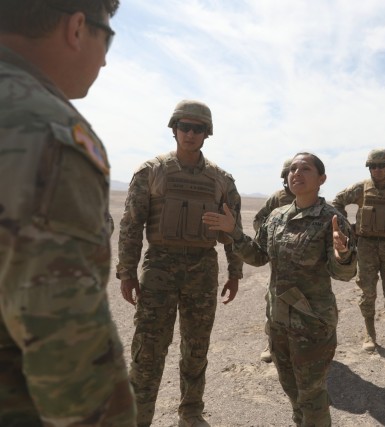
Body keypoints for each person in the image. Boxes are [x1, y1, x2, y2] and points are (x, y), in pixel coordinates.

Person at [0, 1, 136, 425]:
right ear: (77, 28)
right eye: (107, 36)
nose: (107, 59)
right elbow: (63, 337)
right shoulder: (44, 129)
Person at [203, 152, 357, 427]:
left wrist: (343, 253)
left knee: (312, 396)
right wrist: (234, 233)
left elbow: (343, 274)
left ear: (321, 179)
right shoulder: (276, 217)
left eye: (306, 169)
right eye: (293, 169)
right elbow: (259, 256)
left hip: (312, 324)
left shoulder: (331, 220)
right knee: (292, 391)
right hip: (278, 321)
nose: (296, 173)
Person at [116, 99, 243, 427]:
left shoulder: (221, 180)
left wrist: (235, 272)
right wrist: (127, 273)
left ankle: (190, 412)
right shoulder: (152, 172)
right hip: (159, 267)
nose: (190, 134)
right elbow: (131, 224)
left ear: (206, 134)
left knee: (196, 347)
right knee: (148, 350)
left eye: (197, 129)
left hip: (202, 268)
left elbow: (232, 230)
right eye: (184, 127)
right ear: (174, 129)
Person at [332, 149, 385, 353]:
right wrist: (347, 228)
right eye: (373, 166)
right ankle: (370, 334)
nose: (377, 170)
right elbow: (337, 202)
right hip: (366, 247)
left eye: (381, 166)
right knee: (367, 292)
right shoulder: (361, 188)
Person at [253, 158, 295, 363]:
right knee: (275, 300)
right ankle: (271, 343)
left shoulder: (311, 197)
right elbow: (259, 219)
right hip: (280, 259)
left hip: (306, 260)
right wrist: (267, 241)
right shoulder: (278, 198)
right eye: (290, 173)